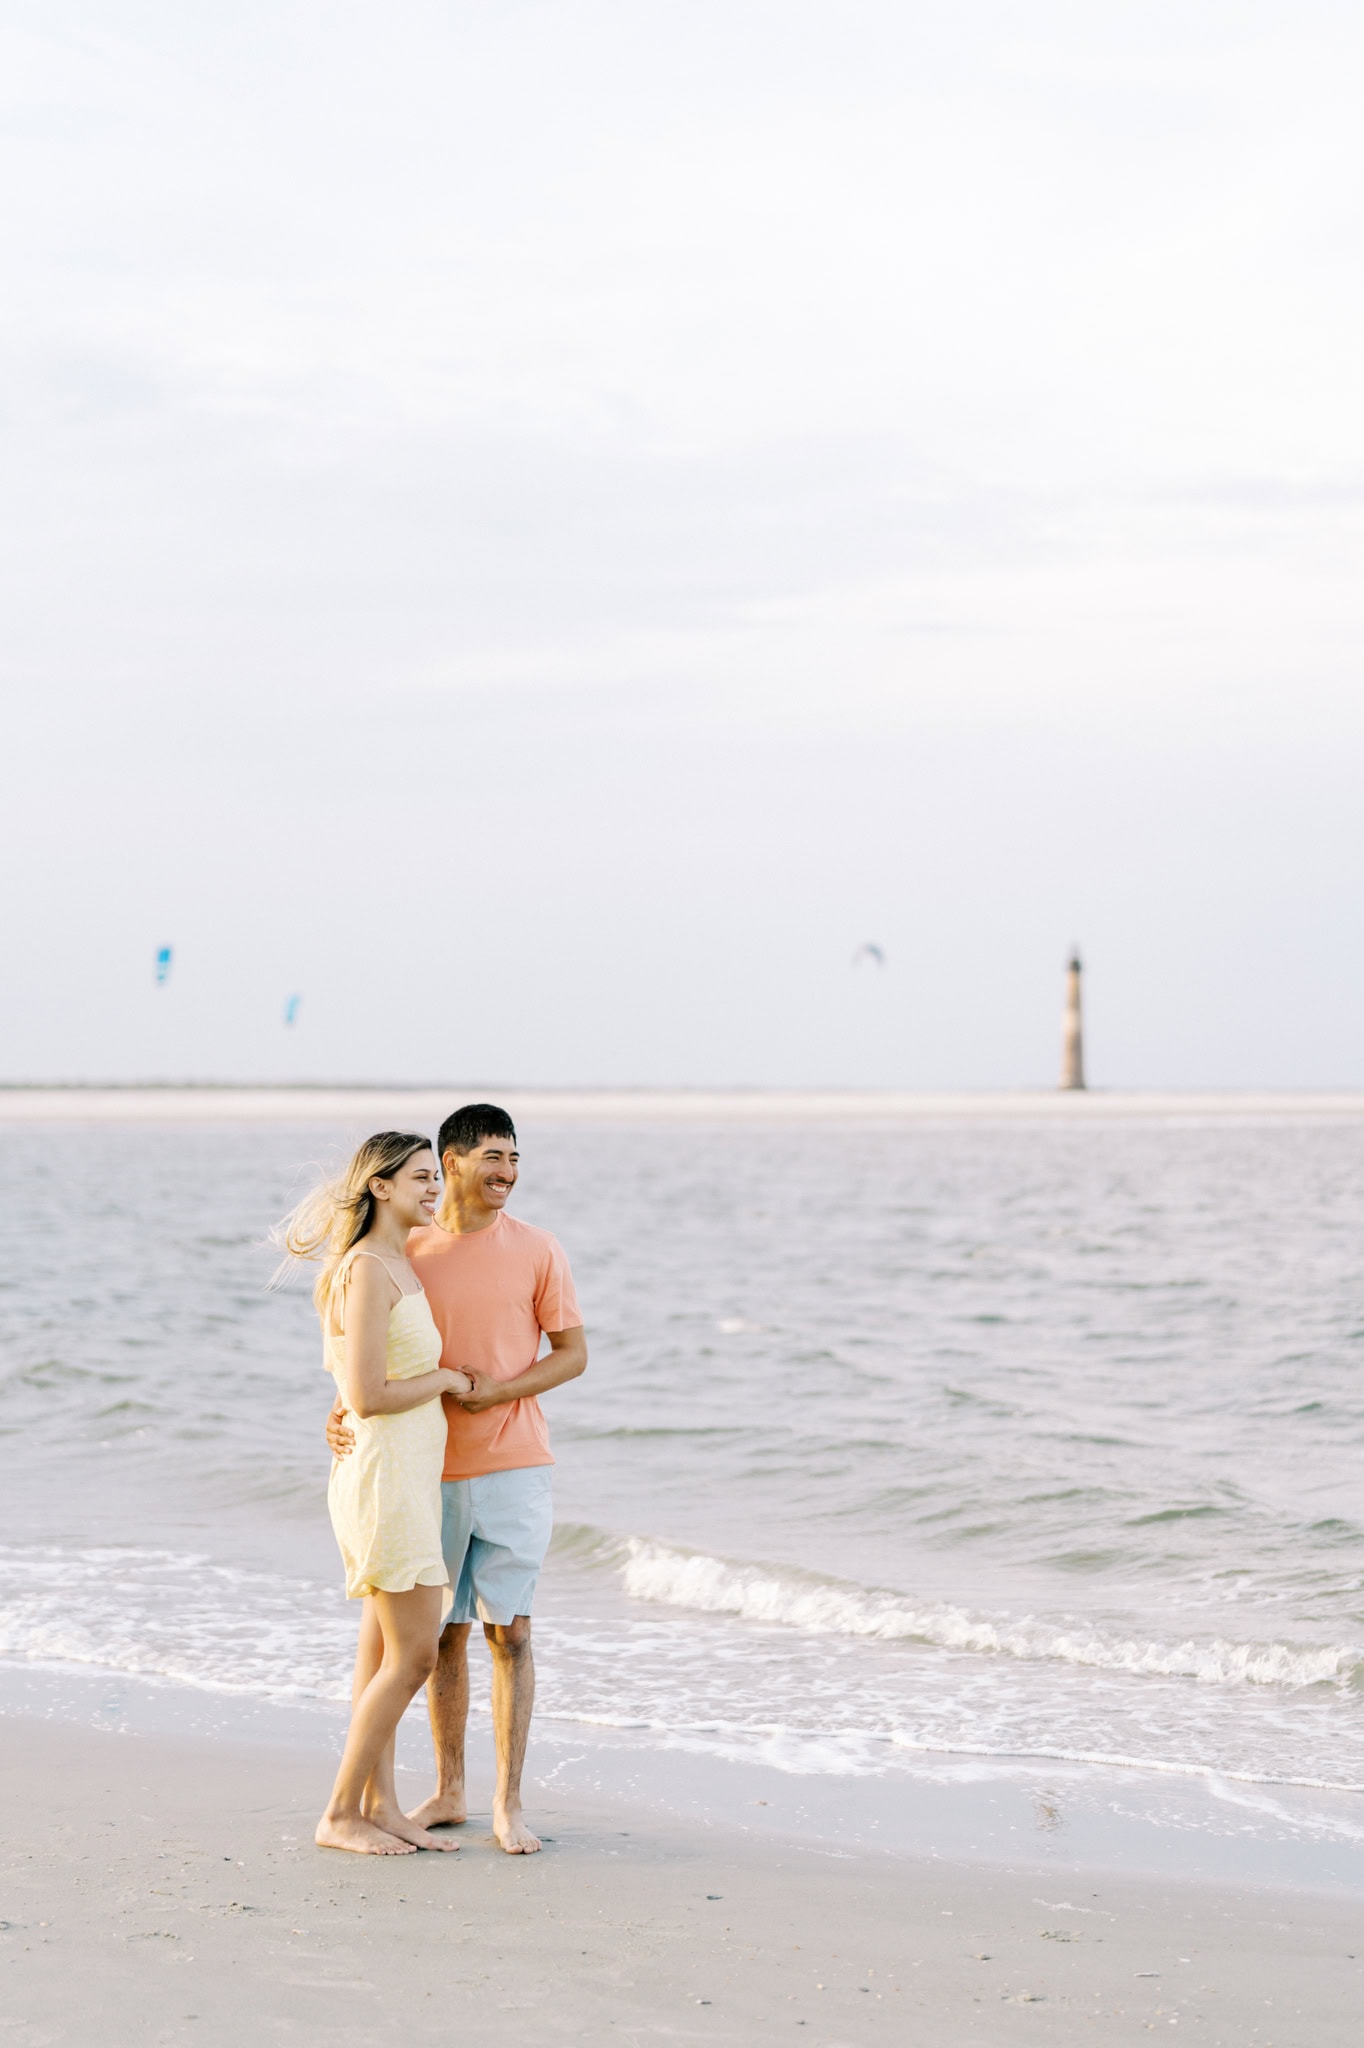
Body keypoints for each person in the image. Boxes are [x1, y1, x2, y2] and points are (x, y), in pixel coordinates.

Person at [326, 1102, 587, 1854]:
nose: (507, 1172)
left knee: (512, 1631)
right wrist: (339, 1410)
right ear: (451, 1162)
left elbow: (572, 1354)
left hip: (515, 1464)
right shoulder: (404, 1248)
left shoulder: (538, 1248)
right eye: (493, 1157)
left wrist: (499, 1391)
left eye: (515, 1158)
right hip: (423, 1471)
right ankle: (448, 1791)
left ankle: (508, 1804)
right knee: (439, 1637)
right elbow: (369, 1356)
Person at [279, 1131, 474, 1856]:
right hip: (385, 1482)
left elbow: (353, 1384)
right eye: (421, 1177)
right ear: (381, 1187)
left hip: (405, 1478)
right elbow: (365, 1394)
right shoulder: (367, 1268)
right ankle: (338, 1814)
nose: (434, 1188)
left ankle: (381, 1805)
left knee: (384, 1653)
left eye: (434, 1177)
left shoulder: (398, 1261)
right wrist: (447, 1379)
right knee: (415, 1658)